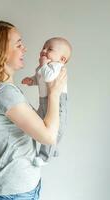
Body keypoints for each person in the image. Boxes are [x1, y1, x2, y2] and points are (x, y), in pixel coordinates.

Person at [0, 20, 67, 200]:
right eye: (18, 44)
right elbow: (48, 137)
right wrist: (54, 92)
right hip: (14, 193)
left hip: (21, 189)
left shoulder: (4, 90)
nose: (24, 49)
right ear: (0, 52)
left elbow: (41, 127)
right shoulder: (5, 93)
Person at [22, 37, 72, 166]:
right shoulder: (44, 67)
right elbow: (41, 79)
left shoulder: (58, 67)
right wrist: (31, 80)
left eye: (49, 49)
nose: (44, 50)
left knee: (54, 129)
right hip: (44, 100)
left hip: (58, 103)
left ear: (62, 59)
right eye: (43, 47)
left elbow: (49, 77)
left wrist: (43, 65)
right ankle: (53, 149)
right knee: (39, 122)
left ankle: (45, 157)